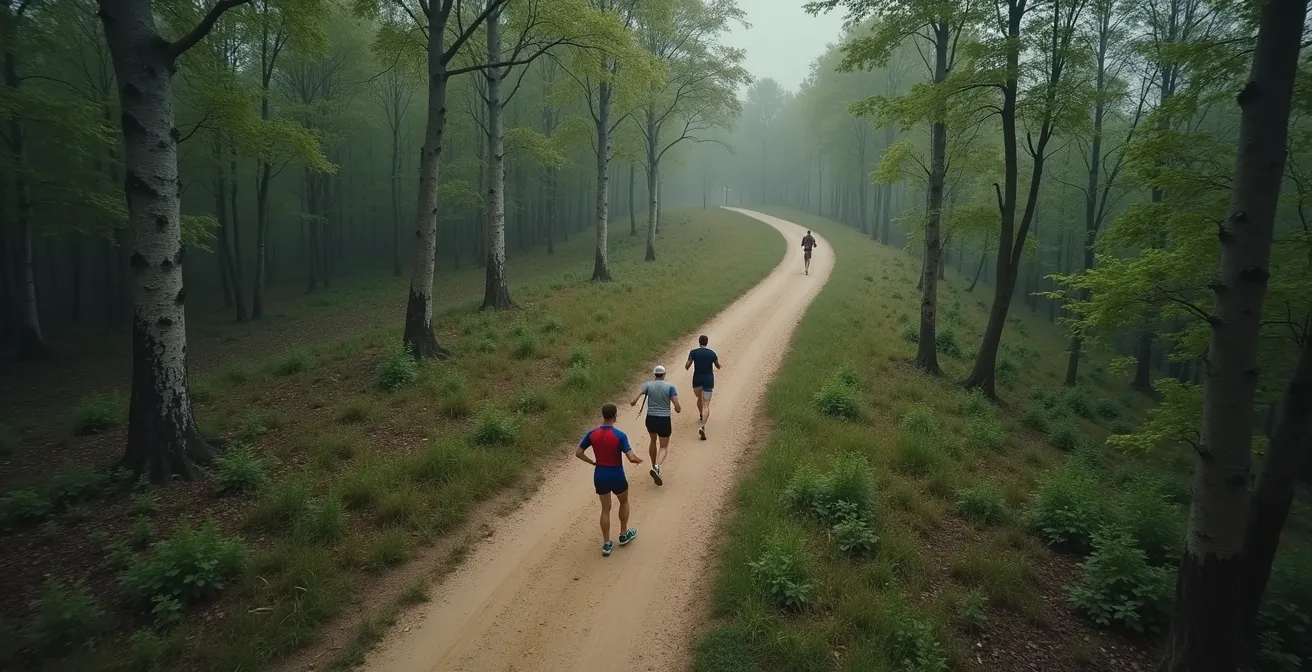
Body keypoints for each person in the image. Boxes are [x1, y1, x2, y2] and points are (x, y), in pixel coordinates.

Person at [576, 403, 643, 556]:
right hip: (616, 474)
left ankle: (606, 544)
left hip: (600, 474)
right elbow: (631, 457)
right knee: (623, 502)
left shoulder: (592, 434)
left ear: (603, 415)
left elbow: (578, 453)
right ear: (615, 416)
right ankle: (623, 534)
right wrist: (639, 460)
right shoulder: (620, 435)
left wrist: (592, 462)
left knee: (605, 509)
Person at [631, 365, 680, 486]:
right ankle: (657, 466)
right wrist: (677, 408)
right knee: (663, 446)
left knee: (653, 441)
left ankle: (653, 465)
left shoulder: (648, 385)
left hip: (651, 418)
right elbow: (677, 407)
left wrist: (634, 402)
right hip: (664, 419)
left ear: (655, 374)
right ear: (664, 374)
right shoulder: (670, 387)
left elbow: (634, 400)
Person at [685, 335, 721, 440]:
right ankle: (703, 425)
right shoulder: (712, 353)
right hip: (708, 381)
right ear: (707, 342)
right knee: (706, 404)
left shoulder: (693, 352)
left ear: (699, 342)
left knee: (699, 397)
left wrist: (690, 361)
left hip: (697, 381)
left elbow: (687, 366)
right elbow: (718, 366)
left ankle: (701, 414)